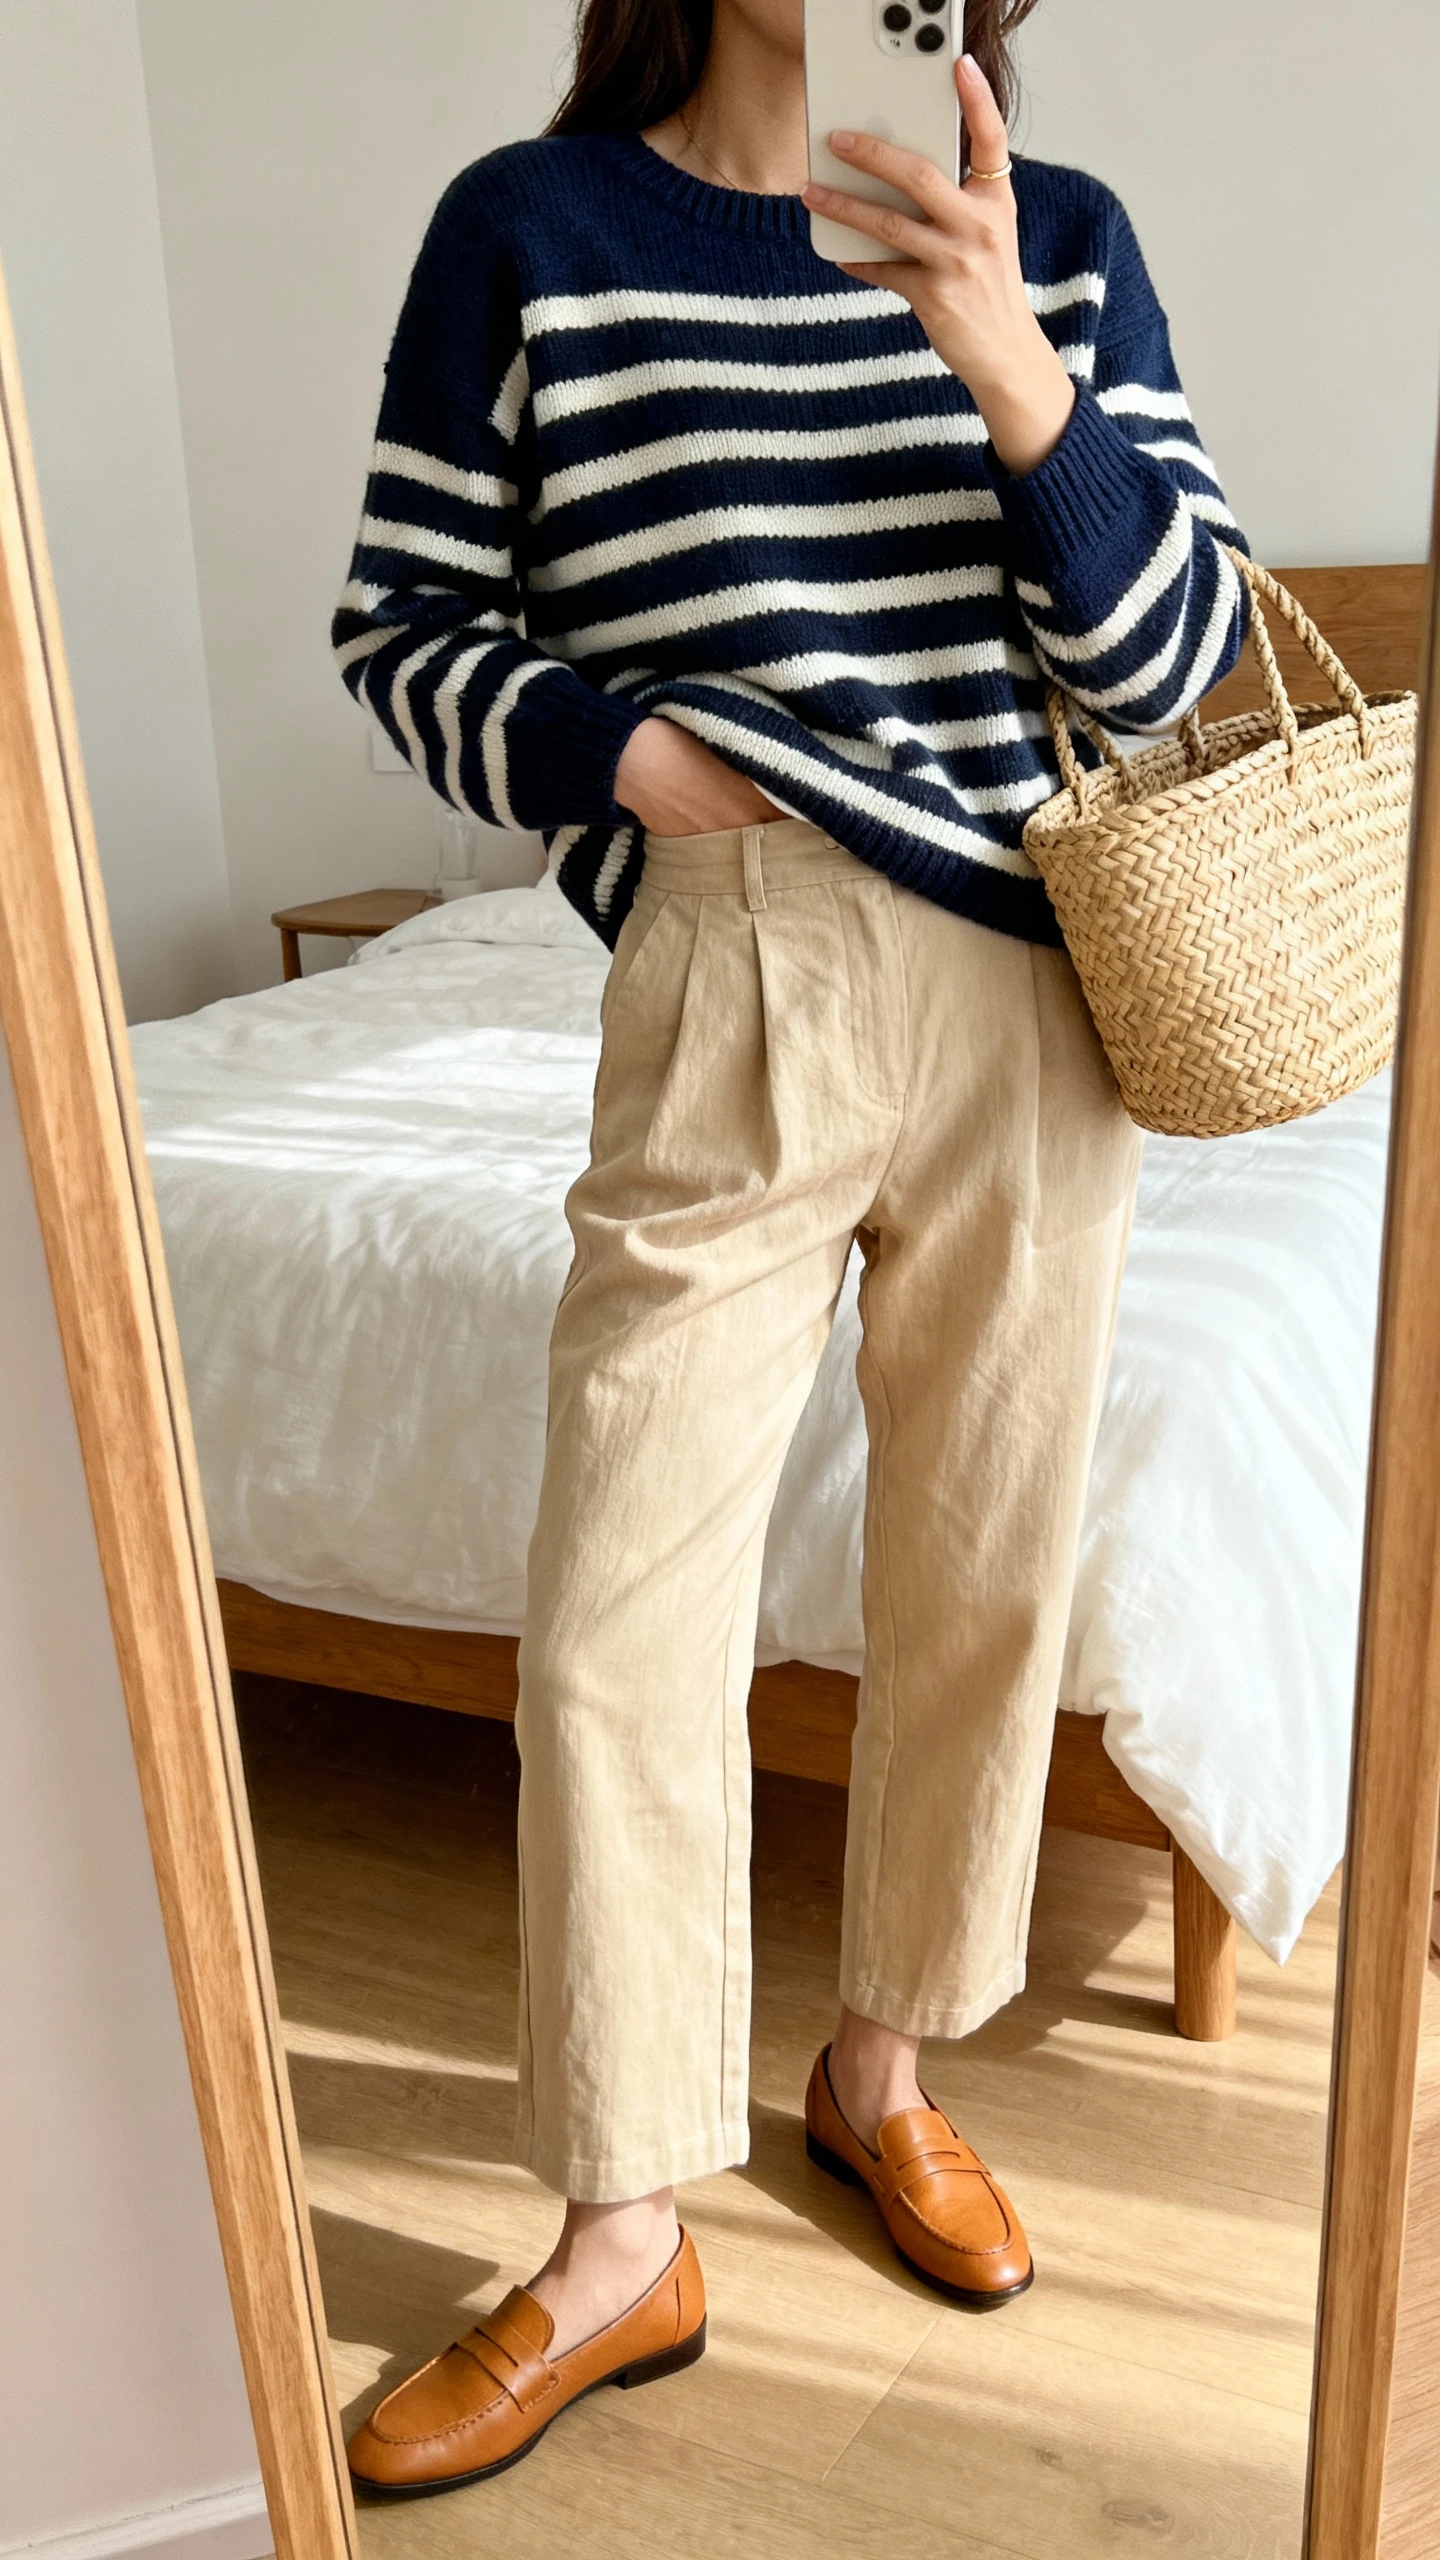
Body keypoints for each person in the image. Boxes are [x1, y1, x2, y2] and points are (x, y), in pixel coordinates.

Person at [337, 0, 1247, 2498]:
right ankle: (626, 2226)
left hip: (1033, 984)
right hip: (727, 953)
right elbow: (403, 621)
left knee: (977, 1566)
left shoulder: (1056, 240)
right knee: (619, 1592)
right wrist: (624, 752)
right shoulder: (527, 233)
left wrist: (1010, 374)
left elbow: (1170, 673)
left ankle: (885, 2063)